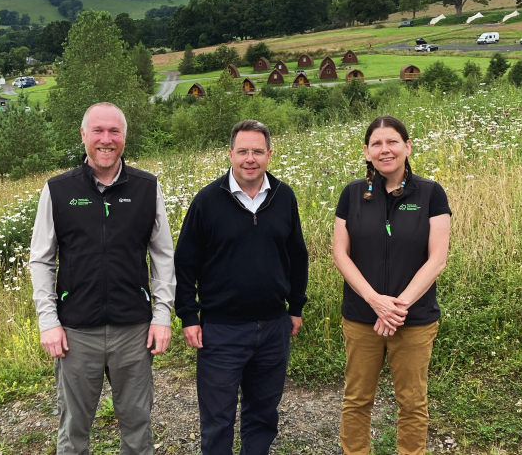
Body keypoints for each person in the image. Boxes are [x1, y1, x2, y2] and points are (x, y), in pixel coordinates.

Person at [29, 102, 176, 455]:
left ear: (125, 137)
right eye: (98, 131)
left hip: (134, 331)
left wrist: (162, 315)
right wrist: (48, 321)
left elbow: (163, 255)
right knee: (74, 427)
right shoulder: (58, 190)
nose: (106, 139)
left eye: (114, 131)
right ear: (83, 136)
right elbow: (41, 259)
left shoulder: (146, 187)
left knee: (137, 424)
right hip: (76, 333)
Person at [175, 120, 309, 455]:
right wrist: (189, 315)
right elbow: (184, 262)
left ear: (269, 154)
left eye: (258, 151)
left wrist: (295, 307)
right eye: (243, 151)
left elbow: (297, 256)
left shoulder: (284, 196)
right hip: (221, 330)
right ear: (230, 154)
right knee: (218, 418)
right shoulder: (207, 201)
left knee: (263, 414)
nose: (250, 158)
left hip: (273, 328)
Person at [332, 115, 451, 455]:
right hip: (361, 316)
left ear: (407, 146)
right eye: (377, 144)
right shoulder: (353, 194)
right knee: (356, 399)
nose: (385, 150)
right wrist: (375, 302)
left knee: (412, 402)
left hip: (413, 319)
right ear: (367, 152)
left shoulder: (430, 193)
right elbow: (341, 254)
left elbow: (437, 259)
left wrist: (396, 307)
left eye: (392, 142)